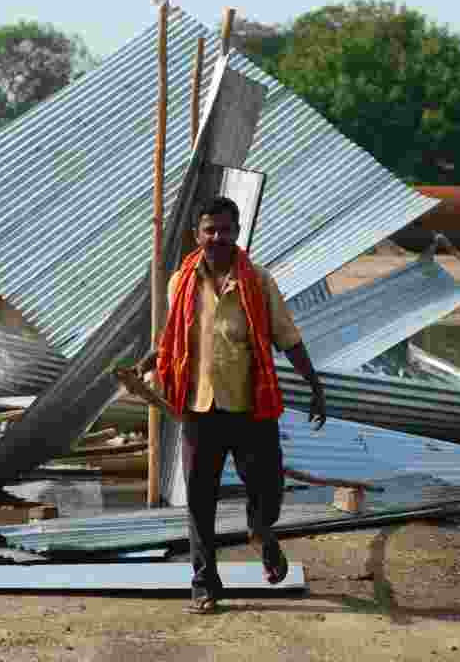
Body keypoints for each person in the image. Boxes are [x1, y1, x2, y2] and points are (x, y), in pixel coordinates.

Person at [133, 195, 326, 614]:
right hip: (200, 411)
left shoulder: (257, 280)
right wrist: (150, 363)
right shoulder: (180, 282)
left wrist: (314, 385)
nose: (218, 237)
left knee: (268, 491)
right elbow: (172, 338)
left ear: (238, 233)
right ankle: (205, 585)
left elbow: (287, 336)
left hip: (249, 407)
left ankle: (261, 533)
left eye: (226, 230)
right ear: (197, 234)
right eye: (210, 230)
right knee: (201, 500)